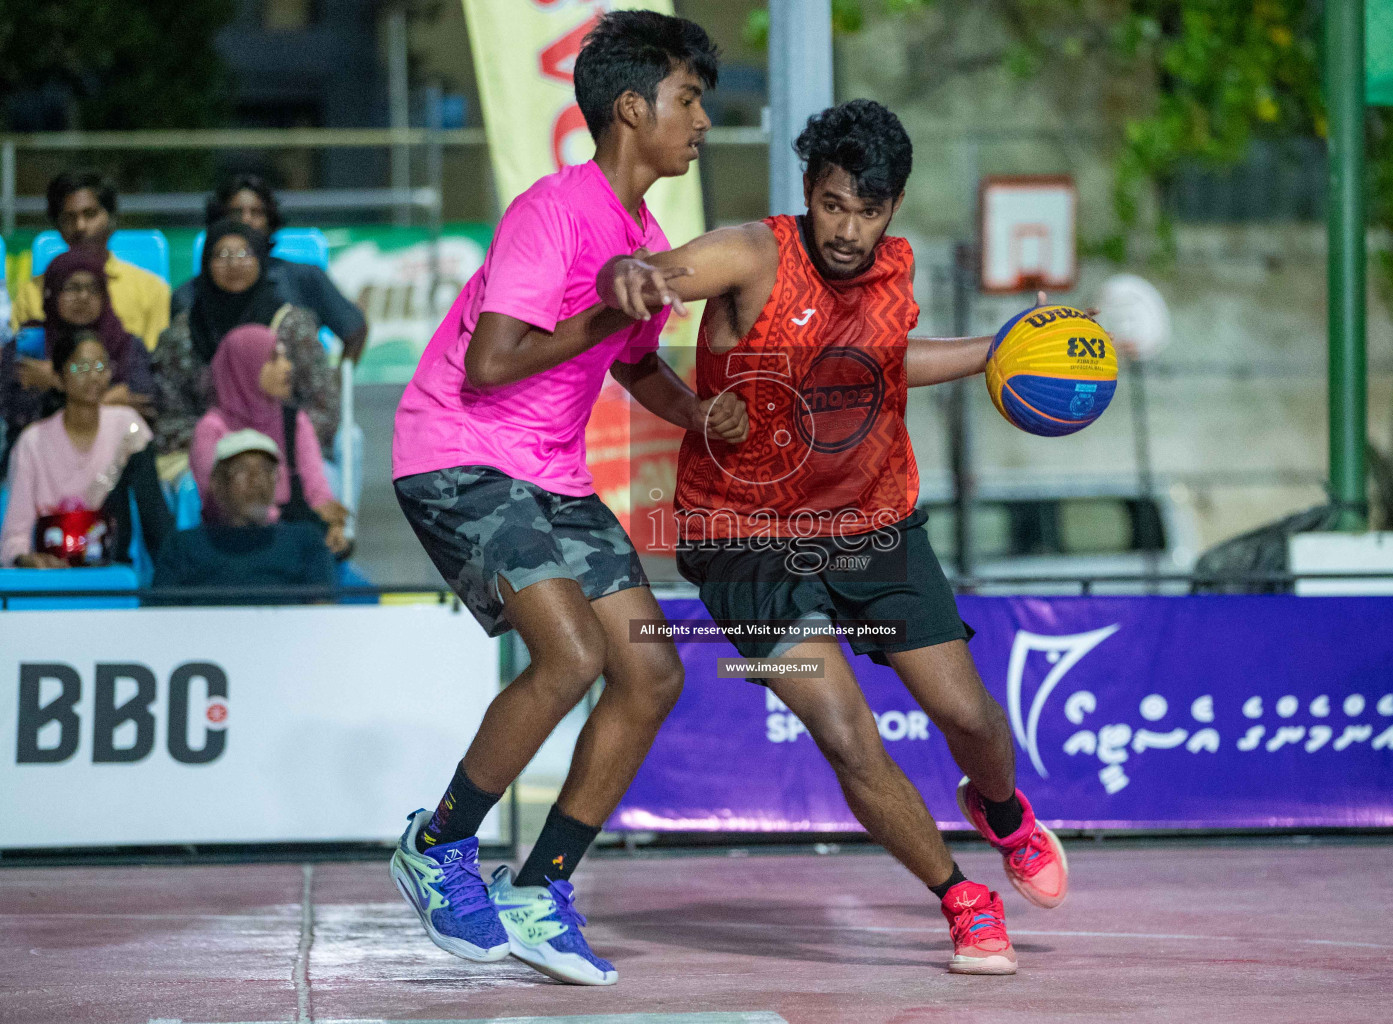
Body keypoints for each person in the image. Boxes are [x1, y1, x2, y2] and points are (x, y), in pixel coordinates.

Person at [596, 99, 1070, 976]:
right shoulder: (754, 254)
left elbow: (888, 365)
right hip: (741, 538)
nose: (849, 229)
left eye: (869, 209)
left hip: (872, 520)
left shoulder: (894, 270)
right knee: (845, 729)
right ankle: (962, 900)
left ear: (893, 207)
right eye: (834, 204)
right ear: (809, 190)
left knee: (966, 712)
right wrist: (636, 274)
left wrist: (1001, 347)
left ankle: (1002, 811)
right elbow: (664, 270)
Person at [389, 10, 742, 985]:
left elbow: (635, 369)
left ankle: (539, 888)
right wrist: (602, 307)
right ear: (632, 109)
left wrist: (705, 415)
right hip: (456, 451)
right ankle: (437, 844)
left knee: (651, 672)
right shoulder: (553, 211)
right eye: (688, 99)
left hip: (547, 472)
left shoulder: (643, 232)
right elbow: (496, 363)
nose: (703, 119)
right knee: (573, 652)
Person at [153, 219, 338, 473]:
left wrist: (268, 441)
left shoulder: (291, 326)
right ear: (206, 263)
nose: (234, 263)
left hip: (288, 452)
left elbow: (323, 407)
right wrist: (227, 443)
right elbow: (166, 417)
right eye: (223, 255)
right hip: (207, 453)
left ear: (261, 260)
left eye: (244, 253)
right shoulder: (183, 332)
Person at [2, 331, 171, 568]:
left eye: (101, 366)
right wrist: (25, 558)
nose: (93, 376)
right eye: (80, 368)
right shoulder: (32, 443)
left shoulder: (128, 428)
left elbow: (153, 514)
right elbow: (14, 534)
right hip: (52, 570)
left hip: (111, 565)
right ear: (59, 379)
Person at [172, 175, 369, 361]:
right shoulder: (188, 296)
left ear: (270, 220)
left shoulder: (303, 277)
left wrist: (334, 388)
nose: (246, 220)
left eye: (256, 213)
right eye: (236, 212)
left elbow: (354, 330)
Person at [190, 324, 349, 555]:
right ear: (246, 367)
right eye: (274, 359)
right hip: (232, 545)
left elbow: (317, 492)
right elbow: (219, 507)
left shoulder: (294, 421)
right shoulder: (211, 429)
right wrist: (294, 528)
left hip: (292, 540)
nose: (287, 367)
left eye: (285, 358)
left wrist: (332, 526)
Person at [1, 249, 156, 470]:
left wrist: (56, 382)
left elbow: (143, 403)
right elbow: (18, 413)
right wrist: (105, 399)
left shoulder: (125, 344)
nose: (83, 297)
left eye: (93, 289)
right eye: (72, 288)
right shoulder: (31, 344)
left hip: (112, 461)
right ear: (51, 292)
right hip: (38, 460)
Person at [153, 429, 337, 598]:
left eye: (266, 470)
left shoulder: (305, 541)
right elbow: (160, 621)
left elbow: (322, 616)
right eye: (242, 470)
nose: (257, 480)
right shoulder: (183, 547)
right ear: (217, 484)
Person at [10, 171, 171, 346]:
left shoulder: (151, 291)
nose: (80, 226)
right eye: (69, 217)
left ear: (112, 219)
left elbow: (153, 366)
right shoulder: (33, 294)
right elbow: (22, 362)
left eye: (90, 214)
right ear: (58, 226)